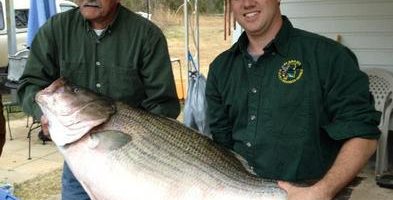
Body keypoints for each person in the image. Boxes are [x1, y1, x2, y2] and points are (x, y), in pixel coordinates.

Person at [205, 0, 381, 199]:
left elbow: (363, 133)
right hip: (240, 193)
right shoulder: (220, 69)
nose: (247, 3)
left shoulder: (329, 57)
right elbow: (222, 147)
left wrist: (322, 191)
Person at [17, 0, 180, 199]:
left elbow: (162, 105)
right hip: (79, 161)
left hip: (134, 164)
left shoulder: (146, 35)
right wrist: (42, 113)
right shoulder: (56, 29)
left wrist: (141, 148)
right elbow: (30, 84)